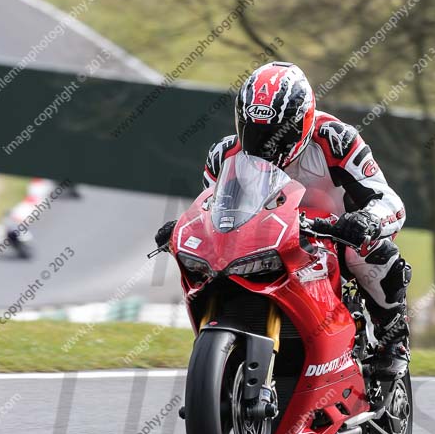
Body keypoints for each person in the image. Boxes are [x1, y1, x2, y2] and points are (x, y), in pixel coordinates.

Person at [156, 62, 411, 379]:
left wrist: (367, 220)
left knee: (374, 254)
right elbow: (210, 211)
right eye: (256, 131)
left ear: (302, 120)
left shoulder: (337, 140)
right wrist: (182, 228)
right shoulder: (223, 155)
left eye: (277, 132)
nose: (266, 143)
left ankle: (393, 341)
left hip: (332, 237)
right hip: (261, 242)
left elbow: (387, 199)